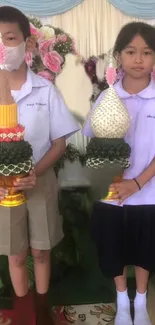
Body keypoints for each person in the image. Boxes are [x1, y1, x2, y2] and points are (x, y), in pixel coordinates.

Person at [0, 6, 80, 325]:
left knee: (41, 251)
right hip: (4, 189)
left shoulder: (45, 90)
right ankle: (22, 313)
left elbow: (59, 142)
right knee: (16, 253)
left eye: (9, 38)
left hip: (40, 180)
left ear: (28, 45)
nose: (4, 47)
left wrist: (37, 171)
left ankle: (42, 310)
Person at [83, 22, 155, 325]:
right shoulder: (107, 98)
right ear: (118, 56)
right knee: (113, 250)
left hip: (149, 194)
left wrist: (137, 183)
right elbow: (95, 143)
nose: (139, 59)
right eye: (131, 51)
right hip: (112, 196)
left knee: (145, 252)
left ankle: (140, 301)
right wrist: (115, 183)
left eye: (147, 52)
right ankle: (121, 300)